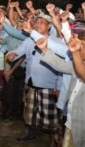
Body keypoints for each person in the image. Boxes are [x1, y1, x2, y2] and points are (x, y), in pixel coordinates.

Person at [37, 28, 85, 147]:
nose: (80, 48)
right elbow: (60, 65)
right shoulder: (81, 63)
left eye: (84, 45)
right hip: (71, 122)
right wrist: (44, 49)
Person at [7, 14, 63, 144]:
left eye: (42, 23)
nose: (38, 25)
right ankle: (31, 133)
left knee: (50, 115)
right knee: (30, 112)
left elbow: (62, 68)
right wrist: (13, 54)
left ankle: (54, 140)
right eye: (37, 23)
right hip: (31, 83)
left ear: (49, 26)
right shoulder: (29, 40)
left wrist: (59, 87)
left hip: (48, 86)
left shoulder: (56, 43)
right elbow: (19, 50)